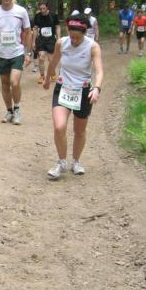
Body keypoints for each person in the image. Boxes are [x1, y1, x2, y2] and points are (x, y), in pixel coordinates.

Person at [42, 12, 104, 179]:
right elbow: (54, 62)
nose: (74, 40)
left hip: (83, 91)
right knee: (59, 127)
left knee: (79, 130)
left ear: (85, 33)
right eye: (72, 36)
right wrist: (47, 79)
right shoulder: (62, 43)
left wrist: (97, 88)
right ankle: (62, 162)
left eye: (78, 37)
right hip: (63, 88)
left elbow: (99, 71)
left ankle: (76, 161)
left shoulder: (92, 46)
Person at [0, 0, 32, 124]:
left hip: (17, 52)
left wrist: (28, 53)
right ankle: (9, 111)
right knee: (5, 84)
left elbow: (28, 32)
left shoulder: (21, 11)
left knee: (14, 82)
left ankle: (17, 109)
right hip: (1, 54)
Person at [32, 0, 60, 85]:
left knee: (51, 59)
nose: (42, 10)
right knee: (41, 57)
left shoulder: (53, 15)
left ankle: (53, 73)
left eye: (43, 8)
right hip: (41, 39)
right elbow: (35, 28)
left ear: (47, 7)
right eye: (40, 9)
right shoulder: (37, 16)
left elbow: (57, 27)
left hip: (51, 40)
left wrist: (58, 38)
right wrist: (33, 41)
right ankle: (42, 76)